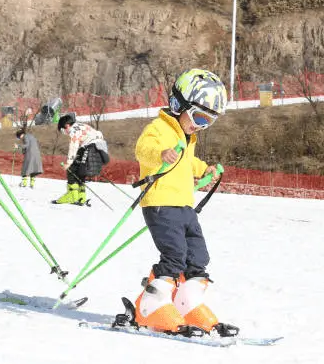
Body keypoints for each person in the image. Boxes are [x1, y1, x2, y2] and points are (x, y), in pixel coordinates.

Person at [132, 69, 226, 334]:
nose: (199, 125)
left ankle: (187, 304)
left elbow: (187, 161)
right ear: (178, 104)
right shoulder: (159, 128)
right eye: (198, 117)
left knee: (198, 256)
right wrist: (160, 153)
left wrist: (203, 168)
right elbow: (143, 150)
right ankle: (151, 307)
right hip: (160, 202)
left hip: (184, 204)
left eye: (207, 122)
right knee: (174, 255)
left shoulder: (188, 137)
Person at [52, 113, 109, 206]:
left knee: (71, 169)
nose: (65, 133)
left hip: (90, 147)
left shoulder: (73, 130)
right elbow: (98, 134)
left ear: (66, 126)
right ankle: (81, 196)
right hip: (98, 147)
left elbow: (73, 147)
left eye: (63, 130)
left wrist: (68, 163)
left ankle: (72, 195)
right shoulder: (81, 125)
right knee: (80, 170)